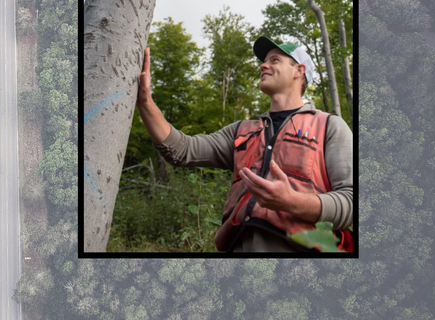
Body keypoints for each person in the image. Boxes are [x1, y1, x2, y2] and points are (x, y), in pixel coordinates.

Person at [136, 36, 353, 252]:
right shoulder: (241, 130)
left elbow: (352, 202)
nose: (263, 65)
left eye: (275, 60)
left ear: (299, 71)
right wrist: (146, 102)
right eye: (264, 61)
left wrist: (291, 201)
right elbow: (182, 150)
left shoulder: (329, 126)